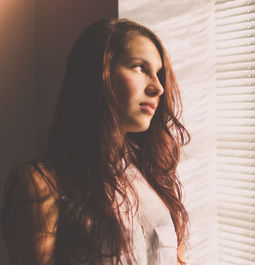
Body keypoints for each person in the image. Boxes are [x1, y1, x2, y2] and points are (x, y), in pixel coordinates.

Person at [1, 18, 190, 265]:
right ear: (100, 74)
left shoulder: (155, 180)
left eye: (158, 73)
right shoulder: (42, 184)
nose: (158, 87)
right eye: (139, 67)